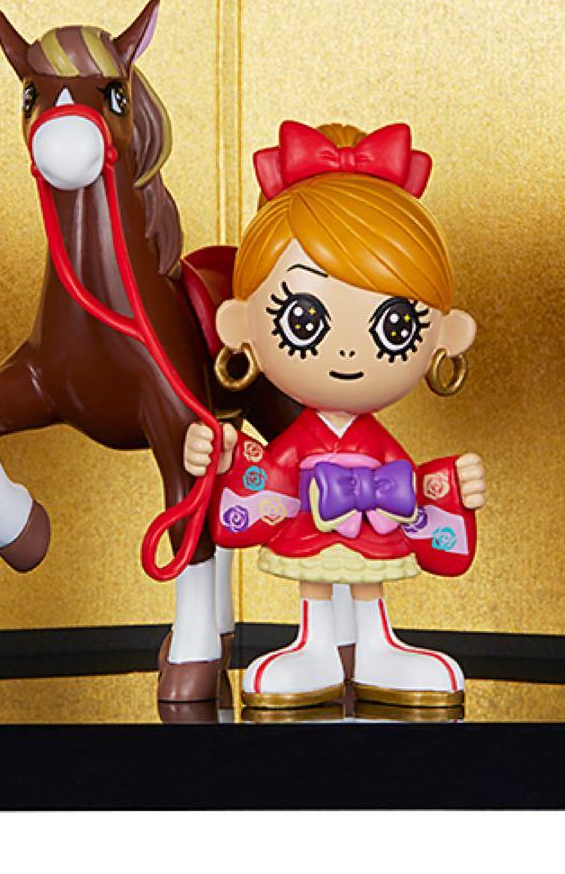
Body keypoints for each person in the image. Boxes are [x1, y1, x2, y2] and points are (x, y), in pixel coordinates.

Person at [183, 120, 485, 709]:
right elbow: (262, 484)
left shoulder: (378, 443)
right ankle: (314, 648)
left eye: (395, 325)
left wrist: (453, 485)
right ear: (240, 326)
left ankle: (379, 649)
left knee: (371, 591)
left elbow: (416, 489)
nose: (347, 351)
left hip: (379, 530)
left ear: (446, 337)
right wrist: (221, 460)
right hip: (310, 532)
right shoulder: (301, 440)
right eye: (304, 320)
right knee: (316, 590)